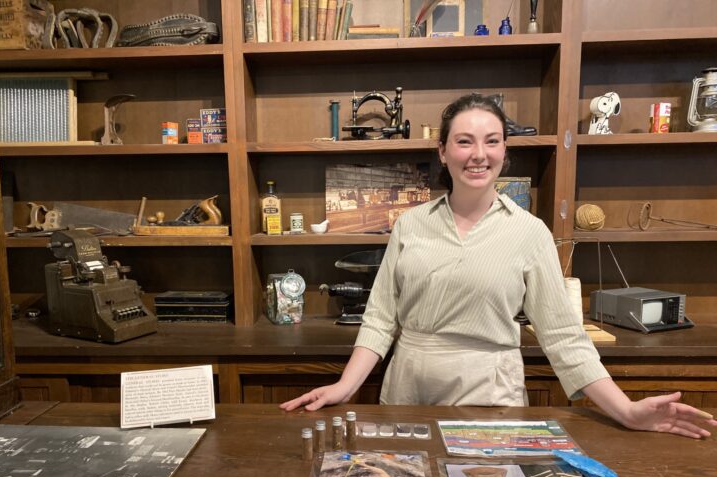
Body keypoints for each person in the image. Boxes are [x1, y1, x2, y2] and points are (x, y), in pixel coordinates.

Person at [280, 93, 716, 439]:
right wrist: (345, 386)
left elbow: (564, 336)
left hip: (491, 393)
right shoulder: (410, 225)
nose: (478, 154)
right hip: (407, 387)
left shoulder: (530, 232)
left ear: (505, 151)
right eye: (464, 141)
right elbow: (380, 319)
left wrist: (625, 410)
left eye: (491, 141)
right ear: (443, 151)